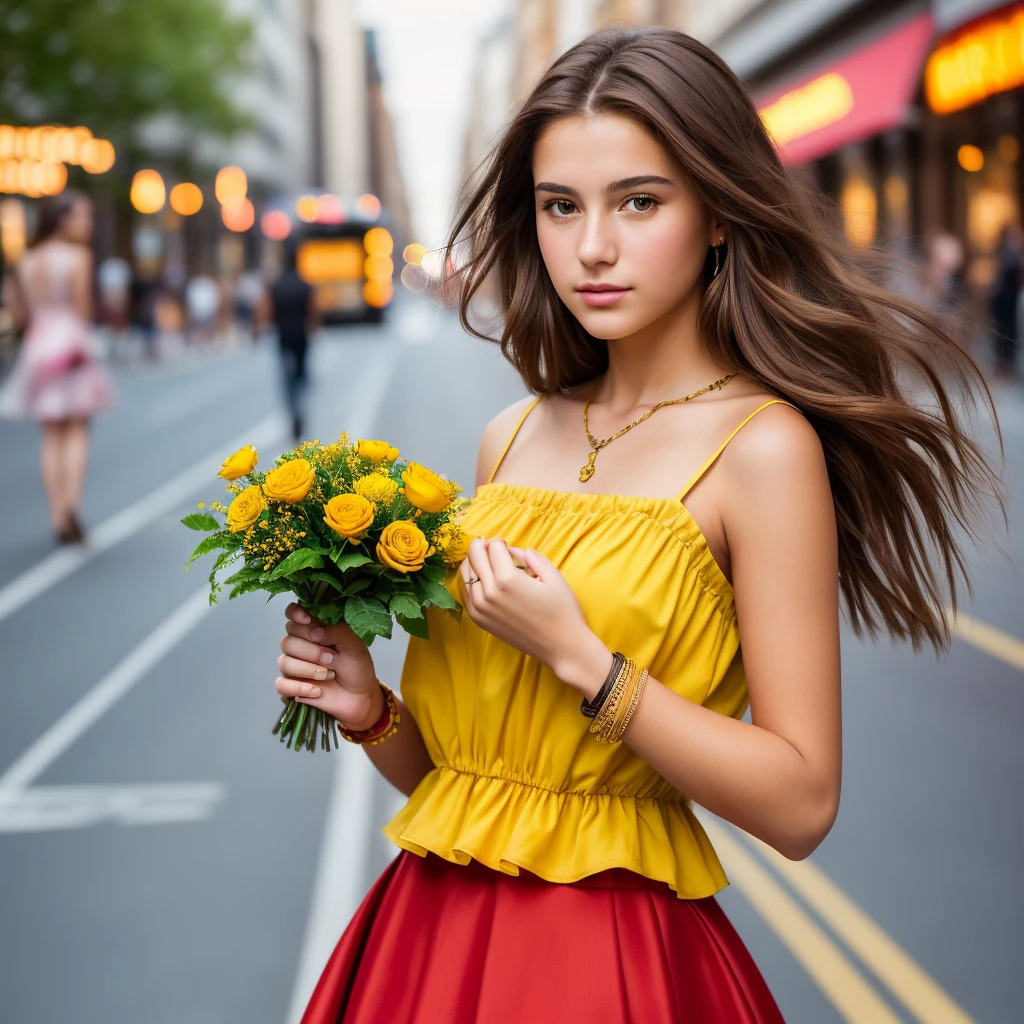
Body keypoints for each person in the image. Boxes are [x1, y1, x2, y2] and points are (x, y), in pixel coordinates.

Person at [273, 28, 999, 1022]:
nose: (592, 248)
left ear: (715, 214)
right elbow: (467, 787)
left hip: (608, 965)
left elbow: (800, 803)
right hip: (429, 944)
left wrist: (586, 660)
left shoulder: (761, 447)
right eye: (559, 207)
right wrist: (370, 711)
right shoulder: (509, 435)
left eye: (638, 202)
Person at [0, 190, 114, 544]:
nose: (89, 225)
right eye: (84, 217)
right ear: (63, 220)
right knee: (77, 429)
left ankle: (55, 515)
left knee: (50, 433)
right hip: (70, 342)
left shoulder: (27, 259)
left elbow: (20, 316)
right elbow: (83, 309)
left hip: (38, 345)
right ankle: (70, 508)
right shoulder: (78, 257)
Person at [261, 239, 317, 442]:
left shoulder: (276, 286)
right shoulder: (305, 285)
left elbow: (267, 313)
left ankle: (293, 410)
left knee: (287, 380)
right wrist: (313, 329)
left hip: (283, 338)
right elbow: (314, 313)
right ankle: (300, 408)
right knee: (302, 377)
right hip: (301, 337)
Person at [990, 223, 1022, 378]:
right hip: (1003, 299)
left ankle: (1007, 365)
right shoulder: (1002, 255)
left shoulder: (1013, 255)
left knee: (1009, 332)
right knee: (1003, 331)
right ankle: (1003, 364)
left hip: (1010, 298)